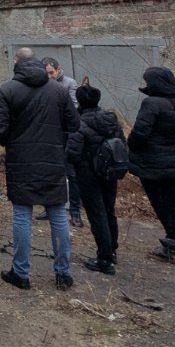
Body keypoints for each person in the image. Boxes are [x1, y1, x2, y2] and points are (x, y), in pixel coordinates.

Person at [0, 56, 79, 291]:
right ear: (41, 68)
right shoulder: (59, 90)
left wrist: (14, 142)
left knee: (22, 214)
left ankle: (21, 273)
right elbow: (74, 123)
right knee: (58, 214)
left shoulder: (7, 90)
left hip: (21, 160)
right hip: (53, 159)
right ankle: (63, 273)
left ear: (16, 69)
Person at [128, 67, 175, 263]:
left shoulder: (151, 103)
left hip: (151, 164)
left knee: (161, 203)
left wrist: (130, 145)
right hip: (172, 161)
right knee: (172, 202)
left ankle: (173, 243)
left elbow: (139, 133)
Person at [65, 84, 124, 275]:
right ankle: (112, 251)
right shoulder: (111, 119)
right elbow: (121, 144)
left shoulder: (79, 123)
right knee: (109, 211)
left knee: (96, 214)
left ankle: (104, 258)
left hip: (88, 175)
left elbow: (72, 153)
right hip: (109, 172)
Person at [42, 57, 82, 228]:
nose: (49, 76)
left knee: (71, 174)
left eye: (51, 72)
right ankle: (49, 207)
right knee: (49, 171)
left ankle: (75, 211)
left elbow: (74, 108)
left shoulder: (69, 83)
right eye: (46, 73)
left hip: (66, 135)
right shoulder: (42, 84)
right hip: (50, 135)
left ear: (58, 70)